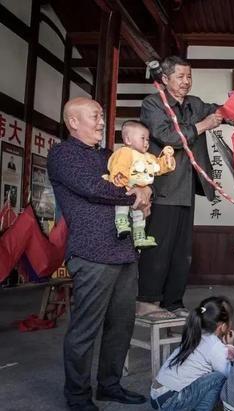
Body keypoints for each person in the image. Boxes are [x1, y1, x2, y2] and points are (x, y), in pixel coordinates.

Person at [48, 97, 151, 411]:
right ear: (73, 121)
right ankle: (78, 395)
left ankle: (109, 385)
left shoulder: (110, 155)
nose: (102, 122)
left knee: (121, 325)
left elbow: (140, 174)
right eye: (95, 116)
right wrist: (134, 194)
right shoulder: (63, 155)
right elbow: (92, 187)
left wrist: (146, 190)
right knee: (85, 328)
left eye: (102, 116)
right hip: (92, 253)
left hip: (124, 252)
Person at [137, 55, 223, 319]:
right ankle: (147, 301)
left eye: (189, 76)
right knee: (158, 247)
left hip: (187, 188)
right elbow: (167, 136)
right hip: (163, 188)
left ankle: (174, 302)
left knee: (181, 251)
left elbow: (221, 111)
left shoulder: (194, 104)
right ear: (165, 79)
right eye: (180, 77)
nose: (186, 82)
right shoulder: (153, 103)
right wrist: (203, 126)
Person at [150, 296, 234, 410]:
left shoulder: (195, 336)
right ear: (223, 327)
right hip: (171, 401)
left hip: (157, 397)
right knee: (218, 378)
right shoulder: (215, 346)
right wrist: (230, 347)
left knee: (209, 376)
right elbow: (231, 375)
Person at [105, 120, 176, 249]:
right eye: (142, 138)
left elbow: (157, 167)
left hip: (142, 191)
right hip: (126, 187)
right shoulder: (125, 152)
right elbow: (119, 166)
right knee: (122, 206)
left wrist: (167, 161)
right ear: (128, 139)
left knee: (140, 216)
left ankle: (139, 238)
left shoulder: (148, 157)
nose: (146, 142)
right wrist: (120, 179)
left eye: (148, 139)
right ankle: (121, 225)